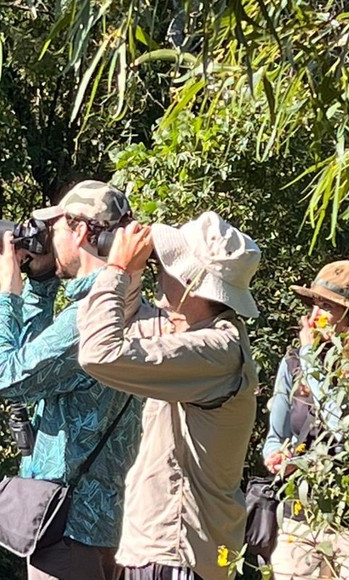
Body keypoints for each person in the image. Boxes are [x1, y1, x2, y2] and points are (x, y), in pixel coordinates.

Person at [76, 212, 262, 580]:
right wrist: (129, 275)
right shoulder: (196, 336)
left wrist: (117, 269)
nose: (161, 267)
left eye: (169, 262)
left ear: (191, 281)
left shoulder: (215, 351)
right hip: (164, 550)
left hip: (177, 554)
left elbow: (99, 353)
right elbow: (112, 328)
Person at [0, 180, 142, 580]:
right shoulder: (127, 304)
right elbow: (41, 374)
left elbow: (4, 376)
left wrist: (9, 291)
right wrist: (40, 283)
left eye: (54, 229)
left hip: (68, 529)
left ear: (81, 231)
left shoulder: (86, 318)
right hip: (106, 526)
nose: (48, 239)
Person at [262, 260, 349, 580]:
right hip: (300, 517)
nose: (314, 315)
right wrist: (277, 457)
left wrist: (310, 360)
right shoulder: (293, 363)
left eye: (327, 306)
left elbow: (345, 426)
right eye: (314, 303)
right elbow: (276, 435)